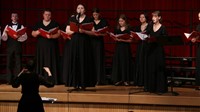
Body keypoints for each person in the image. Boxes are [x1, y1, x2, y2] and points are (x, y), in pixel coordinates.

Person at [64, 4, 96, 90]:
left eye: (82, 8)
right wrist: (76, 30)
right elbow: (67, 31)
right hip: (74, 43)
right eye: (78, 8)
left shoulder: (89, 19)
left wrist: (84, 31)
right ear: (76, 9)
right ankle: (75, 83)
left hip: (84, 43)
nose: (80, 9)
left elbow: (93, 32)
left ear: (84, 10)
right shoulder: (73, 18)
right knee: (75, 61)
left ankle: (83, 83)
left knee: (83, 61)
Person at [32, 9, 60, 84]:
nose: (47, 16)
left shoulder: (54, 23)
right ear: (43, 15)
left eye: (49, 15)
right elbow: (33, 34)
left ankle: (51, 79)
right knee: (41, 61)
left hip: (51, 46)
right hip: (41, 47)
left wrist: (52, 36)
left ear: (51, 16)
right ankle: (40, 79)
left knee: (51, 61)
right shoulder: (38, 23)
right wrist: (37, 32)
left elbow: (58, 34)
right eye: (46, 14)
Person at [145, 11, 168, 94]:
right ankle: (151, 88)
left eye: (155, 16)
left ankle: (160, 88)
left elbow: (165, 40)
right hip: (151, 50)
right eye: (152, 16)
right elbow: (145, 34)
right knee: (151, 68)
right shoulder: (150, 26)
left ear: (159, 17)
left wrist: (158, 39)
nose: (153, 18)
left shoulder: (163, 28)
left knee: (159, 68)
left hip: (158, 50)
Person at [1, 13, 27, 84]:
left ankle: (18, 80)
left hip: (17, 46)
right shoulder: (7, 26)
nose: (14, 17)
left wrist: (18, 37)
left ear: (18, 18)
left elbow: (25, 37)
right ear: (11, 18)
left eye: (16, 16)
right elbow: (4, 38)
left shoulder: (21, 26)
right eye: (13, 16)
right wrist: (6, 33)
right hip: (10, 47)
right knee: (9, 63)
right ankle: (9, 80)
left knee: (18, 64)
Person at [111, 14, 134, 86]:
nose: (120, 22)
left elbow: (131, 40)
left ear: (125, 21)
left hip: (125, 48)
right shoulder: (117, 29)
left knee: (125, 63)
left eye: (122, 21)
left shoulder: (128, 29)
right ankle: (118, 79)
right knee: (118, 63)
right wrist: (115, 38)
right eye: (119, 21)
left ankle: (126, 80)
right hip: (118, 48)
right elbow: (115, 38)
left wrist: (122, 39)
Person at [91, 8, 109, 85]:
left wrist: (99, 34)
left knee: (99, 60)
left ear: (99, 14)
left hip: (99, 42)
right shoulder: (90, 21)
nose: (95, 16)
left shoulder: (103, 21)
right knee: (92, 60)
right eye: (94, 15)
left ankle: (99, 79)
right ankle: (92, 78)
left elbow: (106, 33)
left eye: (96, 14)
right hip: (91, 42)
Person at [134, 12, 149, 87]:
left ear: (146, 18)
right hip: (140, 45)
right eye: (140, 17)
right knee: (139, 62)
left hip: (146, 45)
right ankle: (139, 81)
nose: (141, 18)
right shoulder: (138, 27)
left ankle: (145, 81)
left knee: (145, 62)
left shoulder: (149, 26)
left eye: (143, 17)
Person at [191, 12, 200, 90]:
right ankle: (198, 84)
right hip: (199, 48)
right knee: (199, 65)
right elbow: (197, 36)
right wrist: (194, 39)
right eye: (198, 17)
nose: (199, 19)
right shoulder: (198, 26)